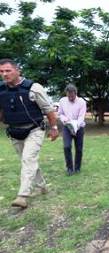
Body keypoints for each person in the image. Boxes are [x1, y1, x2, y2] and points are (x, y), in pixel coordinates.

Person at [0, 58, 59, 209]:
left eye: (8, 70)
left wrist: (54, 128)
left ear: (17, 70)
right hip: (14, 131)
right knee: (28, 161)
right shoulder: (1, 90)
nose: (4, 74)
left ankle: (22, 196)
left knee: (28, 159)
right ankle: (42, 186)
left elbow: (49, 110)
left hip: (34, 130)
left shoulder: (33, 88)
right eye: (1, 72)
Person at [58, 84, 87, 176]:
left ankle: (77, 168)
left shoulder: (81, 102)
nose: (70, 97)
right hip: (67, 126)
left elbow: (81, 117)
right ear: (66, 94)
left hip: (79, 127)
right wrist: (64, 119)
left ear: (75, 93)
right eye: (68, 95)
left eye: (72, 96)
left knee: (78, 148)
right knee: (66, 146)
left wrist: (76, 127)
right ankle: (69, 168)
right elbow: (60, 114)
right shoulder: (62, 101)